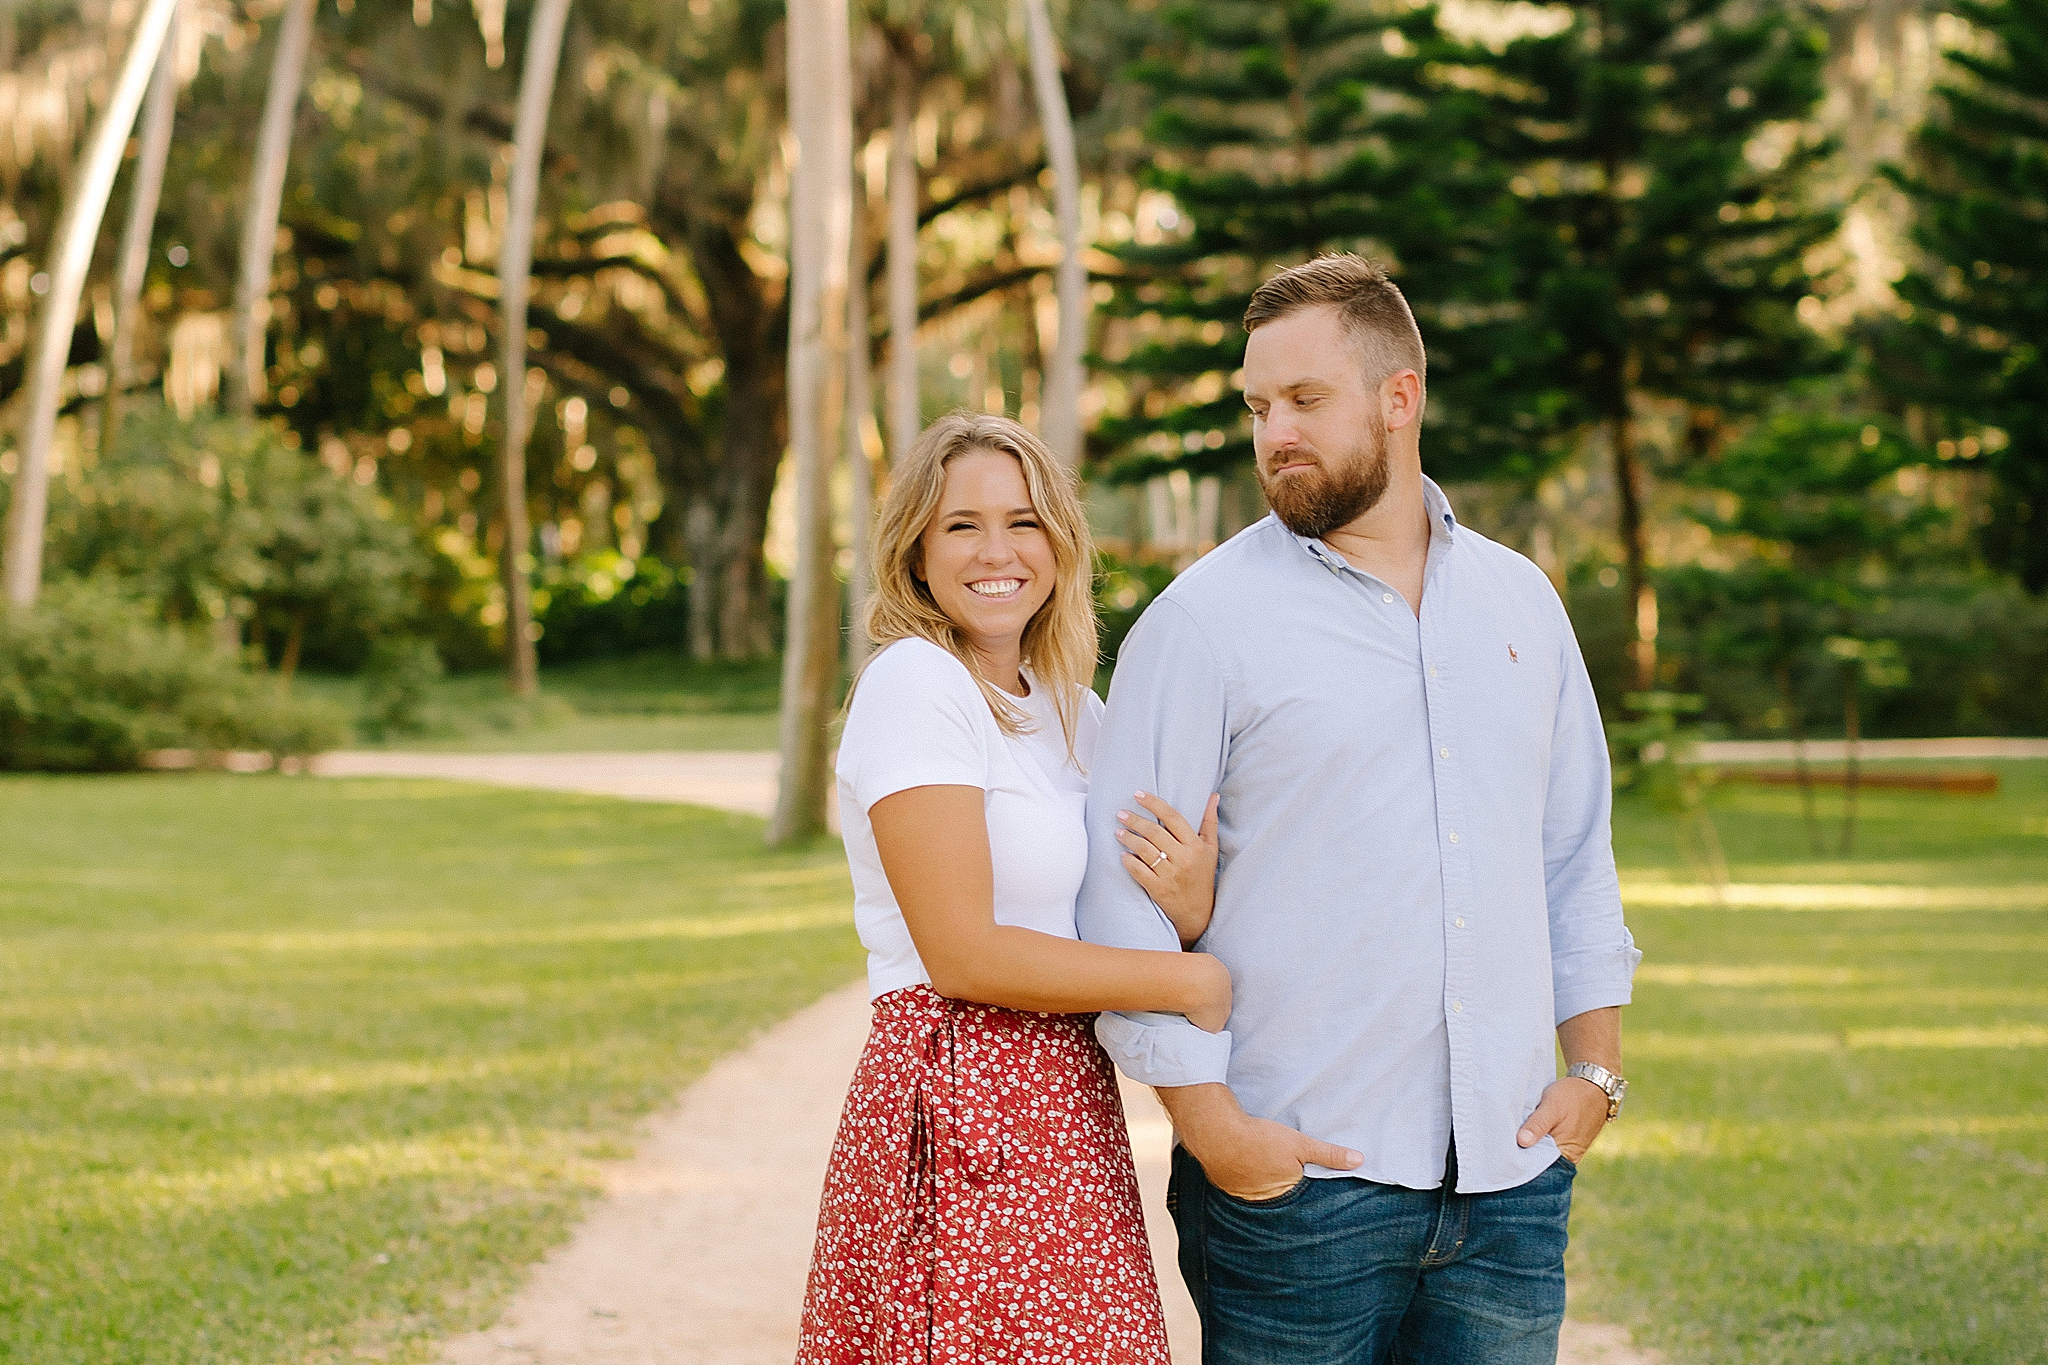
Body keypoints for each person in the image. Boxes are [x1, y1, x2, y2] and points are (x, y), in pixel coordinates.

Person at [1076, 254, 1643, 1365]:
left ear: (1398, 398)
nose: (1272, 432)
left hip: (1510, 1187)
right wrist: (1214, 1132)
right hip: (1298, 1193)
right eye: (1255, 405)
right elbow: (1118, 899)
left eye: (1303, 400)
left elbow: (1573, 855)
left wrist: (1595, 1077)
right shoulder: (1201, 625)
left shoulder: (1520, 601)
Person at [796, 411, 1227, 1365]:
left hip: (1066, 1093)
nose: (999, 550)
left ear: (1061, 542)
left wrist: (1192, 910)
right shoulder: (917, 683)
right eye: (962, 525)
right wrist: (1190, 982)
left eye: (1025, 520)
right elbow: (962, 953)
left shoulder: (1075, 709)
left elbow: (1146, 904)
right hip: (960, 1087)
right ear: (914, 551)